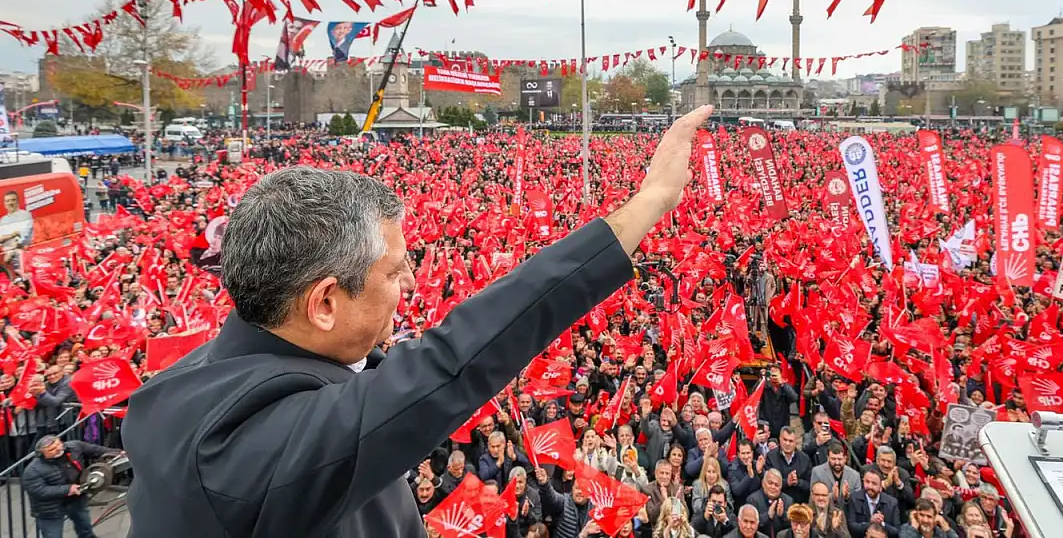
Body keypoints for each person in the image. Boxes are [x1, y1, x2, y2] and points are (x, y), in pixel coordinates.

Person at [121, 106, 716, 537]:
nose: (410, 284)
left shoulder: (188, 386)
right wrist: (648, 204)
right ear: (324, 303)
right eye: (395, 270)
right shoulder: (252, 450)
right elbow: (451, 362)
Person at [21, 435, 115, 538]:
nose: (58, 449)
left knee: (85, 529)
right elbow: (38, 491)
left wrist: (118, 453)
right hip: (50, 509)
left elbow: (97, 450)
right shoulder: (32, 470)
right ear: (42, 454)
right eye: (51, 449)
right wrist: (68, 489)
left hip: (77, 501)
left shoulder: (74, 447)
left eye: (58, 444)